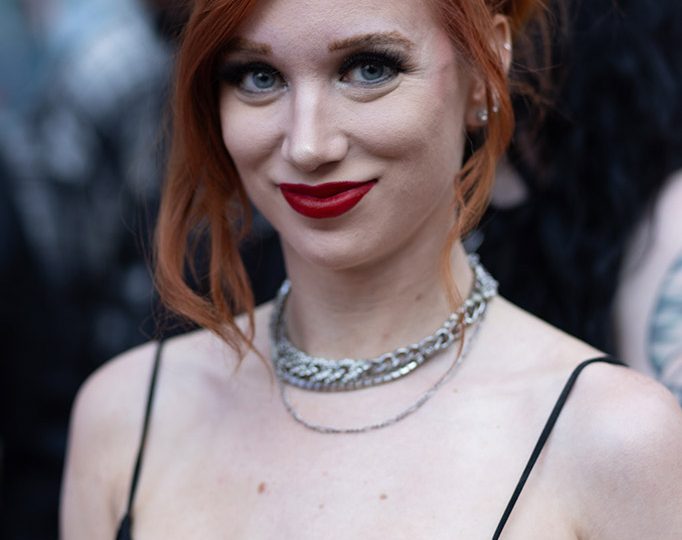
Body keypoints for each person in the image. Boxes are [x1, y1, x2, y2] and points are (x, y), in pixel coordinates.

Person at [60, 0, 682, 538]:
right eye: (258, 76)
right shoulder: (125, 416)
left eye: (369, 68)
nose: (308, 144)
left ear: (484, 72)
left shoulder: (612, 439)